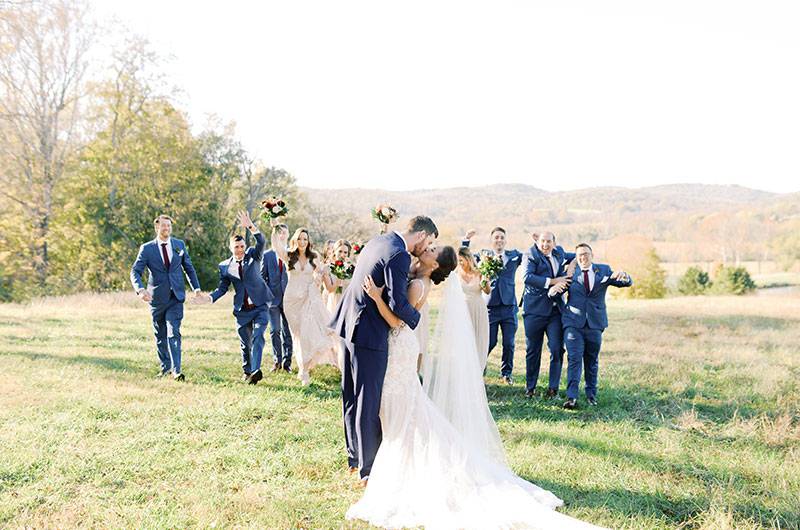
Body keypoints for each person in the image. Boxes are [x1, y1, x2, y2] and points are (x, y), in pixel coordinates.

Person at [347, 268, 606, 530]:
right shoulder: (414, 279)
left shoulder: (416, 284)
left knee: (405, 410)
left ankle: (399, 457)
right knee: (407, 409)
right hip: (401, 349)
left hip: (401, 346)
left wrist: (378, 298)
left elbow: (397, 322)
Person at [330, 215, 438, 484]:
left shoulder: (380, 240)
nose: (426, 249)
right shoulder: (399, 254)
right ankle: (368, 469)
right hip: (369, 333)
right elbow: (399, 304)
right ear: (422, 236)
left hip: (348, 325)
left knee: (352, 395)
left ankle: (354, 458)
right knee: (368, 400)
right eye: (429, 243)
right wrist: (416, 319)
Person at [548, 243, 632, 409]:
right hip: (573, 325)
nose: (583, 257)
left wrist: (625, 276)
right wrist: (555, 295)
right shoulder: (570, 273)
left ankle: (591, 395)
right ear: (576, 257)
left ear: (592, 255)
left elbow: (625, 283)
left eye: (586, 254)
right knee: (574, 359)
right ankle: (571, 397)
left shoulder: (603, 270)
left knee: (591, 360)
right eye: (579, 255)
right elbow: (555, 294)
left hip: (595, 324)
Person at [201, 211, 272, 384]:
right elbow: (223, 288)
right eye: (236, 247)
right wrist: (210, 298)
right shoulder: (224, 266)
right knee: (245, 343)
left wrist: (251, 226)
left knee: (258, 335)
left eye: (242, 246)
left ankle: (255, 370)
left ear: (245, 246)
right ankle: (247, 371)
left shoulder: (253, 256)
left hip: (261, 305)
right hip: (242, 310)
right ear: (230, 248)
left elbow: (261, 241)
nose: (240, 250)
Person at [130, 214, 202, 381]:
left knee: (173, 332)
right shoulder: (147, 248)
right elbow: (135, 271)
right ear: (157, 228)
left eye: (169, 226)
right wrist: (140, 290)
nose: (167, 229)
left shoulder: (179, 245)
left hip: (176, 297)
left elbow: (189, 268)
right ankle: (165, 368)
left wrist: (196, 289)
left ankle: (177, 371)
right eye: (164, 226)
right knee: (160, 335)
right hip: (156, 298)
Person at [277, 228, 339, 384]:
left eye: (305, 239)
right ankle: (302, 366)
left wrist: (324, 273)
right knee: (297, 336)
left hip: (308, 299)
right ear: (295, 240)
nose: (302, 242)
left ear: (308, 241)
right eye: (299, 239)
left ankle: (304, 371)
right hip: (292, 302)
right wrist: (274, 227)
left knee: (306, 334)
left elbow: (319, 274)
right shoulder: (289, 256)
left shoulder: (315, 256)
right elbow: (277, 247)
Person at [463, 227, 523, 384]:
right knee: (489, 341)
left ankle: (506, 373)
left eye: (502, 237)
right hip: (490, 306)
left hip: (509, 306)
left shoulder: (514, 256)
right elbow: (466, 257)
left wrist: (538, 242)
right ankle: (480, 368)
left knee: (509, 343)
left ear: (506, 240)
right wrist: (466, 240)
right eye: (496, 237)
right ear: (491, 241)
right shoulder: (484, 255)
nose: (499, 240)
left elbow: (533, 258)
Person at [521, 231, 574, 398]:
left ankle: (553, 389)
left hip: (555, 311)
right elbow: (527, 277)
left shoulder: (559, 252)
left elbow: (577, 256)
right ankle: (530, 388)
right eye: (543, 241)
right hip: (534, 310)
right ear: (538, 242)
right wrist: (554, 282)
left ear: (554, 242)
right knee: (533, 350)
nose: (545, 245)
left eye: (549, 241)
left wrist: (569, 273)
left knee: (557, 349)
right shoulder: (530, 254)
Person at [261, 223, 293, 373]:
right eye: (279, 233)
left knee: (288, 331)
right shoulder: (267, 255)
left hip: (289, 300)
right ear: (275, 235)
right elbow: (262, 278)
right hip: (272, 300)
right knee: (275, 330)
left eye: (284, 233)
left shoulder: (292, 254)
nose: (282, 235)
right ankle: (277, 361)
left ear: (288, 235)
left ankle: (287, 363)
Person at [457, 246, 490, 371]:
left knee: (478, 340)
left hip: (478, 309)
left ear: (468, 259)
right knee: (464, 343)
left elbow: (487, 291)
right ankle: (464, 371)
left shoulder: (480, 272)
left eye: (461, 260)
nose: (459, 263)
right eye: (458, 261)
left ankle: (478, 371)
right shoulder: (456, 274)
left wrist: (486, 281)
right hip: (463, 311)